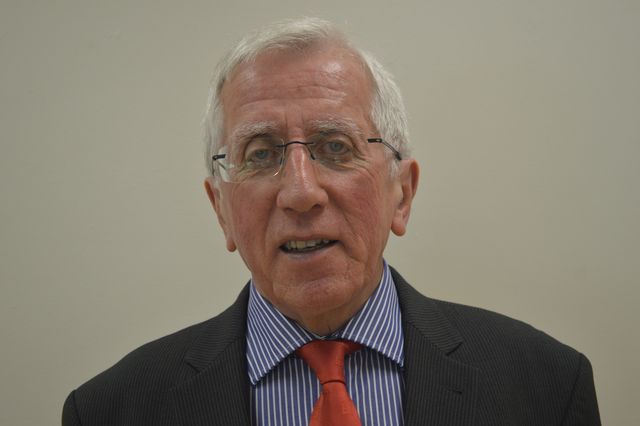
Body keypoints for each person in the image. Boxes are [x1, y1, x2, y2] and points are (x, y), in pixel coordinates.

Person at [62, 17, 600, 426]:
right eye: (261, 153)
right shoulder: (110, 411)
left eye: (336, 147)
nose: (300, 193)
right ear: (221, 208)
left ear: (402, 193)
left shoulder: (547, 386)